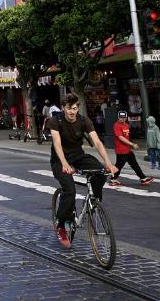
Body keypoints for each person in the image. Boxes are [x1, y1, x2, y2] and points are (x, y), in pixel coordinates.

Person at [49, 94, 117, 249]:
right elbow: (57, 145)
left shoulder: (84, 120)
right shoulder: (55, 121)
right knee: (70, 191)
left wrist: (108, 163)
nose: (72, 112)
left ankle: (95, 201)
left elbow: (97, 142)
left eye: (75, 108)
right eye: (69, 108)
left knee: (100, 171)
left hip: (78, 156)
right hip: (60, 159)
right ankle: (61, 225)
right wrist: (65, 164)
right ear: (63, 108)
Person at [108, 110, 153, 187]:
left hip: (127, 150)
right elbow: (120, 137)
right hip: (121, 150)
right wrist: (131, 144)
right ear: (118, 117)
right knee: (119, 166)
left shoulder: (126, 125)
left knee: (134, 164)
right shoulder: (116, 125)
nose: (122, 119)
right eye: (121, 117)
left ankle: (143, 179)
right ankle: (113, 179)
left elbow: (127, 136)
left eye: (124, 117)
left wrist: (131, 145)